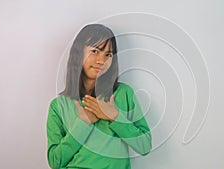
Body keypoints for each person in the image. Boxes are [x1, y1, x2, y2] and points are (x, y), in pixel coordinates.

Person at [46, 24, 152, 169]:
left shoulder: (123, 93)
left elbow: (145, 146)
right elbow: (55, 161)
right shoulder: (59, 105)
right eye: (95, 51)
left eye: (108, 54)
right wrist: (83, 122)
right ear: (78, 54)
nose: (101, 60)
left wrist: (114, 116)